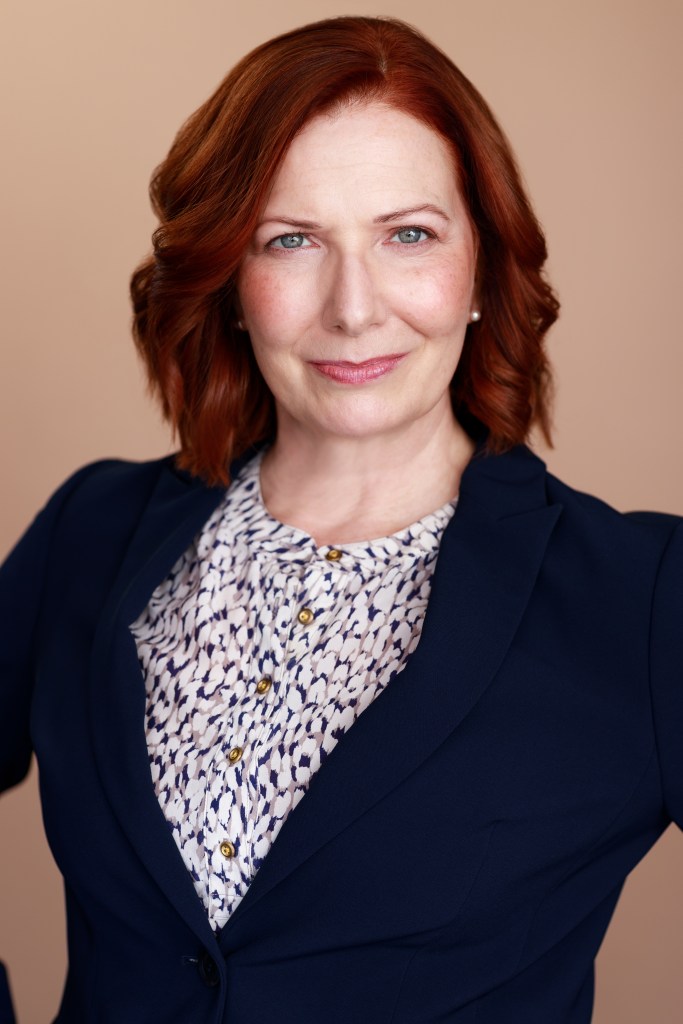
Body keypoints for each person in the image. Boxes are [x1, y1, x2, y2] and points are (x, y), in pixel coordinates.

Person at [0, 14, 681, 1024]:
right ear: (232, 279)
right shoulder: (90, 532)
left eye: (408, 234)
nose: (353, 307)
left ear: (482, 269)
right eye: (292, 240)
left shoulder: (640, 600)